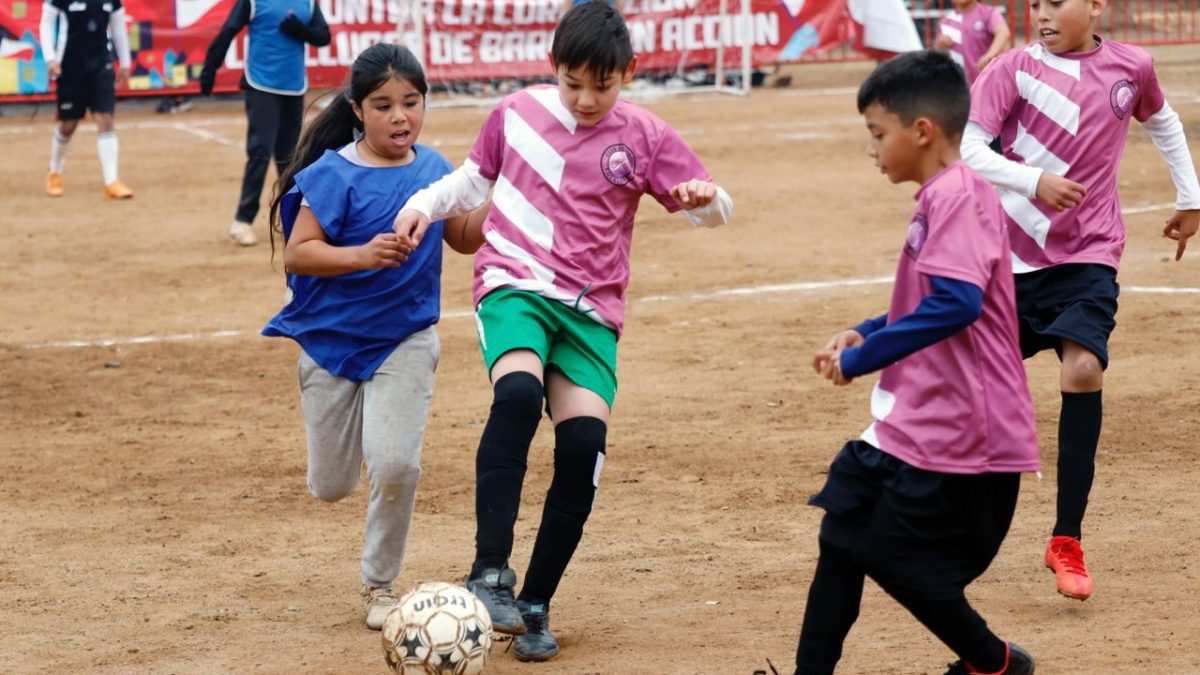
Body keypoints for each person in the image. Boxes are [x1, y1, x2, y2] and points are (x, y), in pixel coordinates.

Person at [392, 1, 732, 662]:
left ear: (628, 73)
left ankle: (535, 602)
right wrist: (419, 206)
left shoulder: (647, 134)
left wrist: (703, 200)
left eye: (601, 86)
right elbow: (471, 182)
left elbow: (712, 206)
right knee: (517, 395)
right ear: (555, 67)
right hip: (514, 283)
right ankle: (489, 571)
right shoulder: (515, 114)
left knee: (583, 445)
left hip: (592, 312)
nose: (585, 98)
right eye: (573, 82)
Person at [795, 50, 1038, 675]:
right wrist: (865, 330)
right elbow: (933, 298)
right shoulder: (942, 194)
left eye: (878, 134)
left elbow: (956, 305)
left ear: (922, 131)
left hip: (965, 430)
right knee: (842, 534)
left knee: (891, 556)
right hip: (920, 418)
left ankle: (995, 662)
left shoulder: (960, 195)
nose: (871, 150)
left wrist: (864, 359)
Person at [962, 0, 1200, 601]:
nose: (1041, 14)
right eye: (1034, 4)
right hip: (1005, 257)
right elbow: (970, 149)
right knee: (971, 393)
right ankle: (941, 523)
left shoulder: (1132, 66)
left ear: (1095, 7)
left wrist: (1190, 197)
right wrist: (1032, 180)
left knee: (1085, 369)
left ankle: (1066, 539)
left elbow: (1164, 122)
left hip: (1088, 253)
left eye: (1055, 3)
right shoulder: (1010, 69)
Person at [260, 42, 485, 631]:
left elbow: (463, 236)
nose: (401, 116)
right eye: (383, 105)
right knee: (333, 486)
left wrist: (512, 198)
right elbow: (300, 254)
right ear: (357, 110)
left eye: (412, 102)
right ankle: (342, 449)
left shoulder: (436, 171)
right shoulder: (331, 173)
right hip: (330, 343)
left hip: (405, 339)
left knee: (395, 466)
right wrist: (362, 254)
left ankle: (379, 585)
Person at [199, 0, 331, 246]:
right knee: (260, 150)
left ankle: (291, 217)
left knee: (290, 157)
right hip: (261, 83)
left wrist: (300, 31)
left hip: (293, 86)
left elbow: (323, 37)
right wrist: (210, 69)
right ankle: (243, 220)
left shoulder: (308, 3)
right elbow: (229, 29)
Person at [39, 0, 134, 199]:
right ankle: (55, 170)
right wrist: (50, 58)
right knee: (68, 124)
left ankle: (111, 182)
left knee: (105, 119)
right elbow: (47, 21)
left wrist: (125, 63)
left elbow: (118, 25)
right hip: (70, 68)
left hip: (101, 66)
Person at [933, 0, 1011, 86]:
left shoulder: (988, 13)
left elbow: (1003, 32)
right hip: (959, 87)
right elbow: (937, 56)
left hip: (986, 82)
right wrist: (941, 46)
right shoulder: (945, 22)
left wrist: (990, 54)